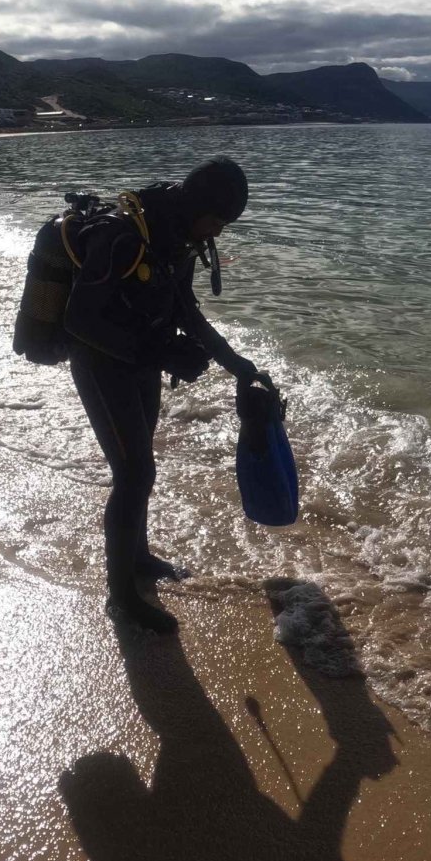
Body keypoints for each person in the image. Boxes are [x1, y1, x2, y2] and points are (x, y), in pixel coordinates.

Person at [63, 156, 275, 634]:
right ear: (197, 205)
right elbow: (78, 320)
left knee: (141, 469)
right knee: (134, 472)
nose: (218, 233)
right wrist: (156, 352)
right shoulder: (122, 236)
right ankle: (120, 598)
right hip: (100, 364)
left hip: (139, 364)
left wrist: (239, 367)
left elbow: (189, 314)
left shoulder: (177, 240)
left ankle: (138, 559)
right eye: (218, 220)